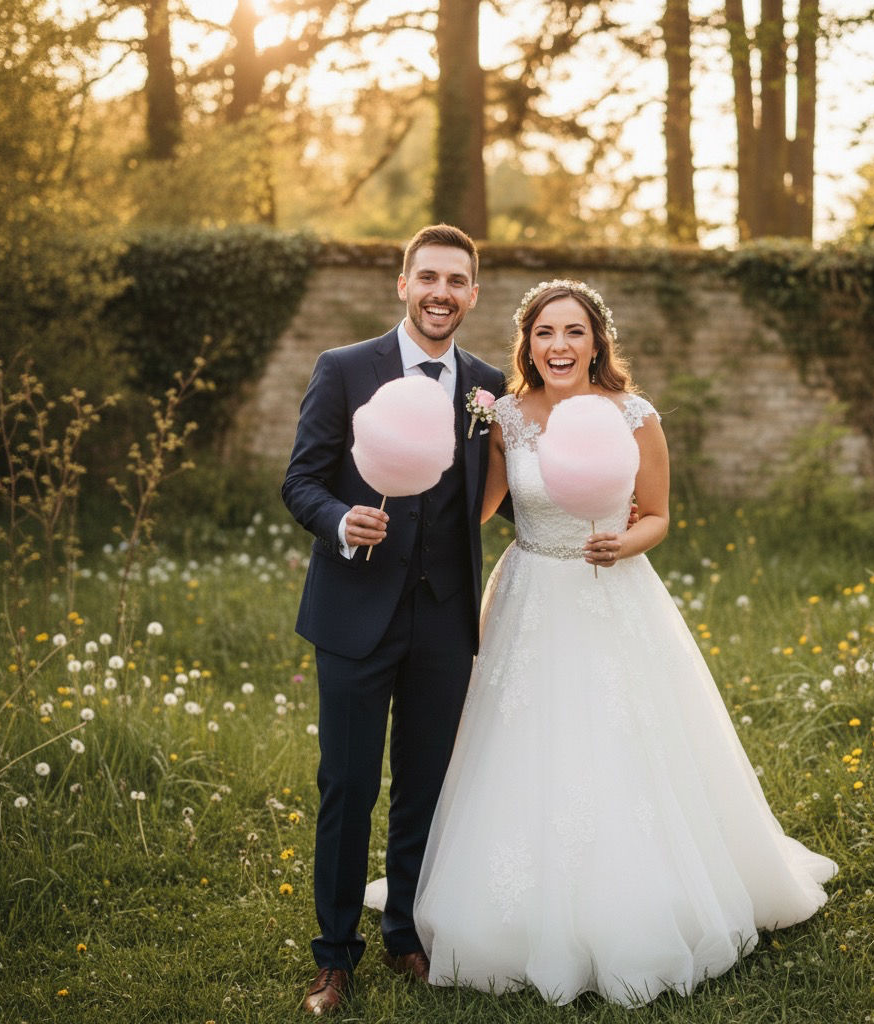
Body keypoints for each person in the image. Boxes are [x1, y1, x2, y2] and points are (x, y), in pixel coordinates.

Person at [412, 279, 837, 1007]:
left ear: (597, 341)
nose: (558, 347)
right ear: (528, 344)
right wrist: (422, 481)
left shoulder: (633, 415)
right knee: (520, 743)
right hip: (528, 595)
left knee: (618, 741)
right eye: (545, 333)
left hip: (610, 593)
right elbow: (480, 511)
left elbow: (659, 516)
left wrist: (624, 541)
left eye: (573, 332)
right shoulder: (507, 417)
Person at [281, 224, 509, 1015]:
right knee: (347, 784)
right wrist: (343, 521)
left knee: (424, 786)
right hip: (354, 615)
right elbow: (301, 481)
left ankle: (404, 930)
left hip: (445, 619)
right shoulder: (344, 370)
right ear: (402, 284)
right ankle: (334, 955)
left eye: (457, 281)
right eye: (428, 277)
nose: (441, 293)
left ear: (473, 295)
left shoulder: (486, 386)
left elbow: (508, 490)